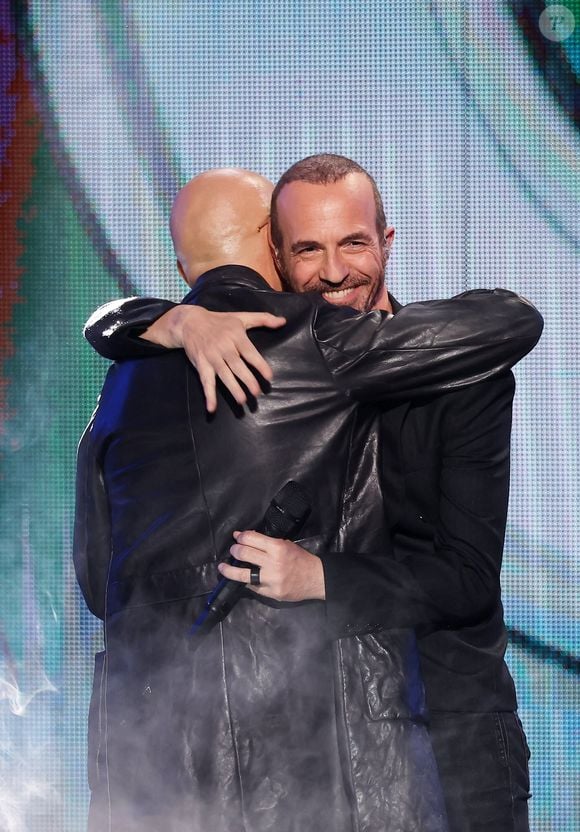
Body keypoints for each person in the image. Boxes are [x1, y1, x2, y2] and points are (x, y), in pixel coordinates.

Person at [79, 163, 542, 832]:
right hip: (327, 755)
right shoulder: (281, 342)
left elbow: (467, 576)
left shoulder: (449, 372)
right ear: (276, 252)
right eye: (307, 249)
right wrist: (178, 323)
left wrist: (316, 575)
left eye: (352, 244)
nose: (331, 272)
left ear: (388, 240)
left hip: (452, 737)